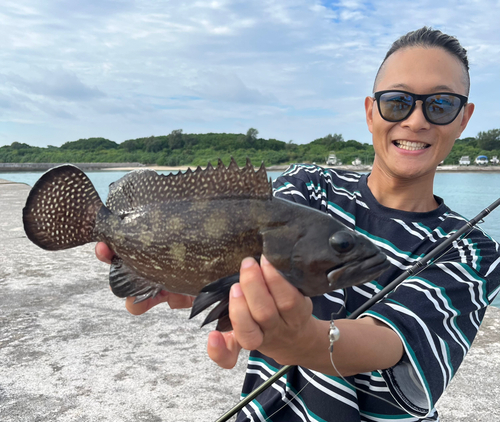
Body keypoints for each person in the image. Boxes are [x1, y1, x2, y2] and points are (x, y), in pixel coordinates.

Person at [96, 27, 500, 421]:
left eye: (440, 105)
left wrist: (305, 342)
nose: (416, 121)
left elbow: (392, 340)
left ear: (464, 118)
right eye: (397, 102)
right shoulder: (311, 185)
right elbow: (238, 246)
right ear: (369, 111)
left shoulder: (470, 250)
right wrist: (192, 283)